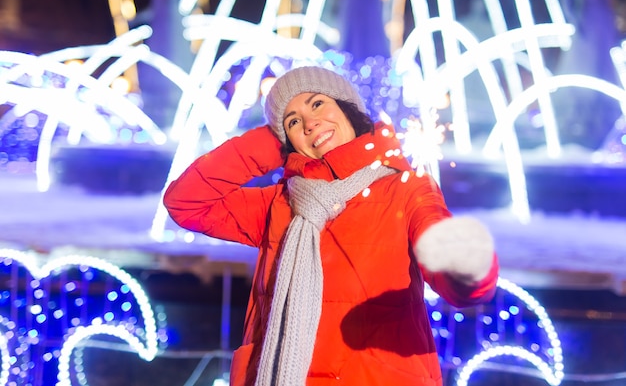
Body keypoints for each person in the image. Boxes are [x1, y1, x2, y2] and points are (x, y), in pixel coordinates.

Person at [163, 65, 499, 386]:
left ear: (347, 108)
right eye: (294, 121)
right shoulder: (280, 203)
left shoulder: (407, 189)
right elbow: (186, 201)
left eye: (318, 104)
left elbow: (457, 283)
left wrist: (467, 265)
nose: (310, 123)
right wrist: (272, 141)